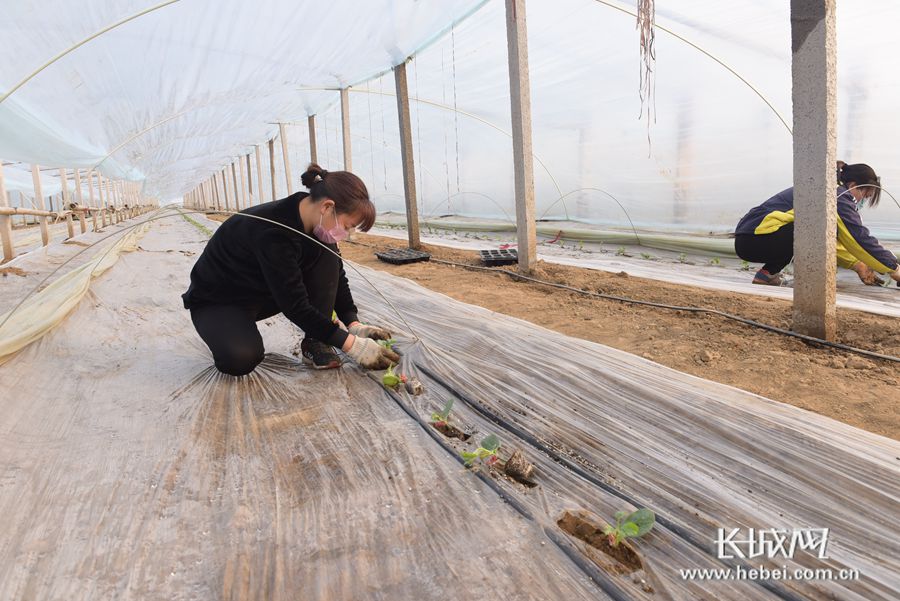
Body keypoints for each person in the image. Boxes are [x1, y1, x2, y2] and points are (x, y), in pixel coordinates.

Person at [182, 163, 400, 376]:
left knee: (327, 255)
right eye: (347, 226)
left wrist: (352, 324)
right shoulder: (273, 232)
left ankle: (316, 341)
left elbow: (336, 276)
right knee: (240, 358)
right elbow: (294, 305)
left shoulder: (318, 223)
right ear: (327, 207)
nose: (347, 234)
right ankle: (226, 331)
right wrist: (353, 346)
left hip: (264, 293)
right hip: (220, 300)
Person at [734, 161, 900, 287]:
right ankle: (807, 284)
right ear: (853, 186)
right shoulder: (838, 196)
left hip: (749, 239)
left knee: (817, 228)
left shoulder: (826, 187)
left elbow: (832, 239)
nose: (862, 201)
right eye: (865, 195)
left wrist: (858, 264)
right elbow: (858, 238)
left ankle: (766, 274)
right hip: (758, 239)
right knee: (812, 230)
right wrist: (894, 269)